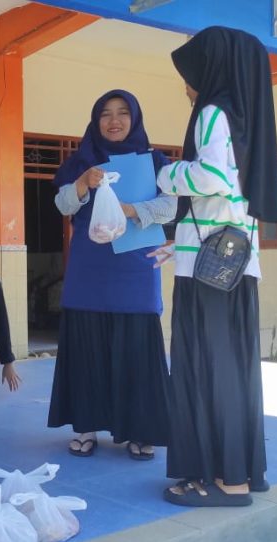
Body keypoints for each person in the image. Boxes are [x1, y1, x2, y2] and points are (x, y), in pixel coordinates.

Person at [151, 26, 277, 506]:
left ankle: (227, 481)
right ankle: (241, 471)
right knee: (231, 371)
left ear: (212, 70)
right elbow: (231, 203)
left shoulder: (211, 112)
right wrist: (180, 245)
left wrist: (165, 172)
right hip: (233, 267)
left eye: (190, 73)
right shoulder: (247, 122)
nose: (187, 86)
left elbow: (210, 179)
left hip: (208, 278)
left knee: (206, 371)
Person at [46, 89, 175, 461]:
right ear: (95, 120)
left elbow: (171, 207)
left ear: (135, 118)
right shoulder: (81, 161)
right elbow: (62, 205)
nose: (114, 121)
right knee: (88, 345)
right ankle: (86, 427)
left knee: (137, 349)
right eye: (105, 113)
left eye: (122, 113)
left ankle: (140, 430)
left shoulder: (155, 161)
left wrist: (130, 210)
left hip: (136, 266)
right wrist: (82, 183)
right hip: (90, 268)